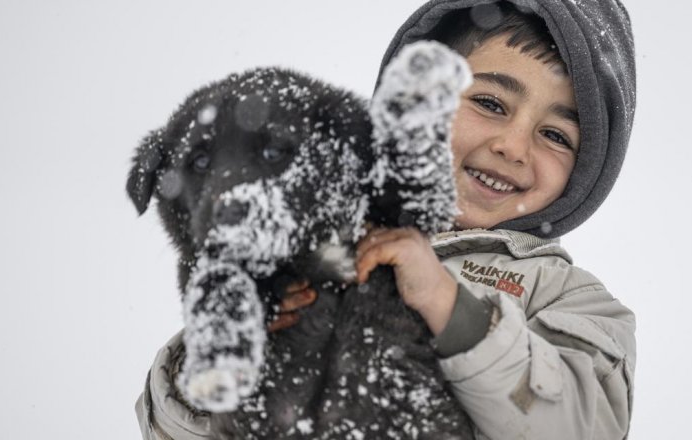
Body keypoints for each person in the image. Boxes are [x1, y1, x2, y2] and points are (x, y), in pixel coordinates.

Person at [136, 1, 637, 439]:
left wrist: (449, 306)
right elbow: (167, 427)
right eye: (489, 103)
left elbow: (581, 426)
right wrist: (208, 372)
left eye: (556, 135)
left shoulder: (569, 297)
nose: (513, 146)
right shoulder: (318, 246)